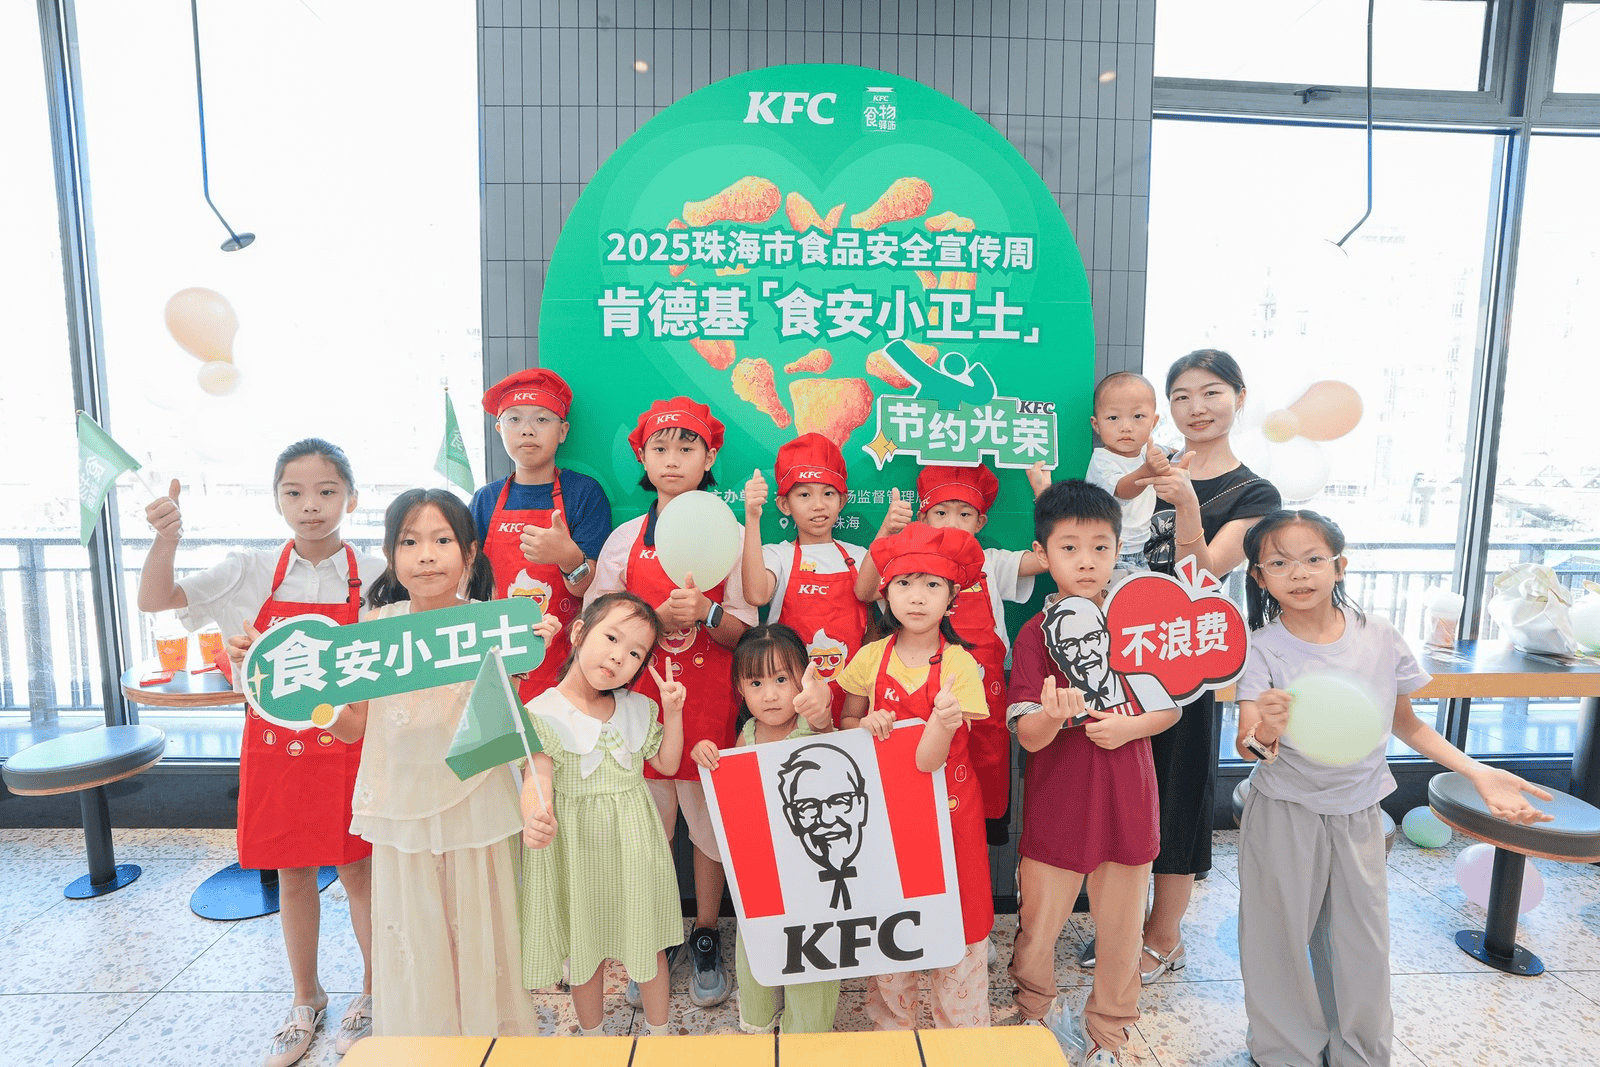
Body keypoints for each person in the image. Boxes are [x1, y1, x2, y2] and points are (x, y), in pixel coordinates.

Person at [1235, 509, 1552, 1067]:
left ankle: (1360, 1053)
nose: (1299, 574)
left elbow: (1408, 724)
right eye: (1279, 564)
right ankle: (1285, 1053)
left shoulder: (1378, 635)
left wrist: (1477, 771)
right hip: (1284, 811)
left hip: (1360, 812)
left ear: (1340, 566)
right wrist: (1267, 730)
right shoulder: (1261, 647)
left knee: (1362, 943)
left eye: (1313, 559)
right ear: (1259, 578)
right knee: (1276, 940)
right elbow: (1248, 747)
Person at [137, 439, 379, 1066]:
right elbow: (156, 600)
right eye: (294, 493)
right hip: (275, 746)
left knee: (360, 871)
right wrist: (165, 539)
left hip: (352, 744)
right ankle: (306, 997)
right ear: (276, 500)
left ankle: (374, 992)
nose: (310, 505)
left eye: (326, 492)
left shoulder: (377, 571)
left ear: (351, 499)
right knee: (293, 871)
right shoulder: (248, 569)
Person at [326, 488, 538, 1037]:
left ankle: (488, 1042)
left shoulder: (491, 624)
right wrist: (317, 708)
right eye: (409, 542)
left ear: (469, 553)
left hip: (476, 804)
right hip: (402, 810)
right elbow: (354, 726)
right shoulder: (374, 629)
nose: (426, 555)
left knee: (481, 935)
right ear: (391, 555)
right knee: (415, 941)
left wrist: (522, 663)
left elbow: (506, 727)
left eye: (442, 540)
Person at [586, 397, 756, 1007]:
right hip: (640, 711)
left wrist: (709, 614)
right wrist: (652, 621)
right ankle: (654, 939)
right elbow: (597, 628)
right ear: (643, 457)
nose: (673, 460)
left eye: (687, 448)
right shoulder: (624, 541)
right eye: (660, 448)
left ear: (709, 458)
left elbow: (750, 634)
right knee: (647, 832)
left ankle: (706, 932)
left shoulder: (733, 537)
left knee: (709, 830)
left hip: (711, 709)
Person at [1006, 481, 1180, 1066]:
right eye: (1070, 548)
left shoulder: (1138, 625)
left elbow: (1171, 708)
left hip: (1129, 804)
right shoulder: (1034, 635)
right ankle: (1034, 1014)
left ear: (1118, 549)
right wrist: (1052, 718)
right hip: (1057, 806)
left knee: (1123, 932)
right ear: (1042, 553)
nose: (1086, 562)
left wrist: (1131, 727)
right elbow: (1026, 733)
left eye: (1100, 548)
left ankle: (1109, 1034)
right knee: (1038, 926)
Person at [1129, 348, 1281, 982]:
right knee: (1126, 788)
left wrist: (1186, 504)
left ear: (1239, 398)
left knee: (1179, 789)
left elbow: (1207, 572)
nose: (1196, 407)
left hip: (1189, 656)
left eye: (1212, 392)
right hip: (1127, 648)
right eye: (1182, 396)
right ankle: (1122, 926)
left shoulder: (1255, 491)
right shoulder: (1153, 466)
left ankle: (1164, 936)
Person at [838, 522, 994, 1029]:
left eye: (932, 585)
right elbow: (845, 721)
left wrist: (940, 722)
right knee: (892, 921)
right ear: (885, 594)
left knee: (959, 923)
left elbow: (936, 753)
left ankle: (961, 1040)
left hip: (951, 815)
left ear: (952, 599)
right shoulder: (869, 658)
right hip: (887, 818)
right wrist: (864, 724)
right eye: (904, 583)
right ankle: (892, 1034)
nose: (918, 596)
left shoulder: (960, 665)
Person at [520, 592, 688, 1036]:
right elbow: (537, 776)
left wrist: (673, 713)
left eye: (635, 653)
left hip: (634, 847)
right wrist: (536, 815)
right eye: (611, 638)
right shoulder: (543, 711)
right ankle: (593, 1042)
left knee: (647, 944)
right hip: (578, 852)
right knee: (585, 950)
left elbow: (667, 763)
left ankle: (660, 1037)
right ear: (579, 632)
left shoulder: (637, 708)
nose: (618, 656)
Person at [855, 463, 1044, 844]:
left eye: (965, 514)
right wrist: (888, 530)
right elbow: (864, 591)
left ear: (981, 521)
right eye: (941, 512)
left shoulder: (992, 562)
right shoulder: (908, 564)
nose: (952, 524)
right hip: (919, 713)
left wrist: (1044, 495)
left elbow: (1047, 558)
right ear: (923, 517)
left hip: (981, 710)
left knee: (975, 811)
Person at [689, 623, 841, 1034]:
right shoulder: (749, 733)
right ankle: (759, 1017)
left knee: (813, 949)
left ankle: (806, 1032)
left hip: (815, 872)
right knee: (760, 941)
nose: (770, 694)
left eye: (781, 679)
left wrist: (823, 715)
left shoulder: (813, 726)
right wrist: (708, 755)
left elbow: (833, 744)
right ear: (740, 688)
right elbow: (735, 794)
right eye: (756, 683)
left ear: (804, 679)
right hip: (762, 872)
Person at [470, 368, 611, 702]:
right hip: (497, 660)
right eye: (514, 419)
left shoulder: (583, 493)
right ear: (499, 429)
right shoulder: (485, 500)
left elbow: (587, 588)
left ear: (563, 431)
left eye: (542, 420)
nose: (527, 430)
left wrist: (567, 557)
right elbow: (468, 584)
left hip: (566, 661)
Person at [739, 433, 870, 726]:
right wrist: (752, 516)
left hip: (852, 703)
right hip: (789, 706)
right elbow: (756, 595)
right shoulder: (778, 555)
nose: (818, 505)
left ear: (842, 501)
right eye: (804, 495)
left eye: (828, 494)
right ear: (784, 505)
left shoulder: (860, 557)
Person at [1084, 371, 1170, 573]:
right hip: (1108, 552)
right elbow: (1123, 490)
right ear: (1096, 425)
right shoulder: (1102, 460)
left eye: (1138, 416)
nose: (1126, 427)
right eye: (1113, 418)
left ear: (1153, 422)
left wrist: (1175, 455)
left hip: (1140, 550)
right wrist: (1148, 470)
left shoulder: (1146, 452)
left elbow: (1166, 451)